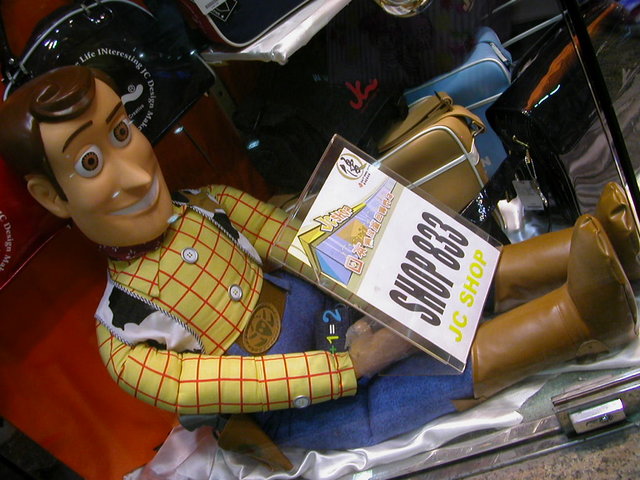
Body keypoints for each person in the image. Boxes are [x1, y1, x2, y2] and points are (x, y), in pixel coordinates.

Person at [0, 65, 637, 458]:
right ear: (52, 197)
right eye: (90, 162)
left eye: (121, 132)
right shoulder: (125, 335)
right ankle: (578, 320)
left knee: (437, 280)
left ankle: (577, 247)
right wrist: (354, 363)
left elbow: (294, 241)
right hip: (307, 398)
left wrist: (373, 263)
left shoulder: (212, 202)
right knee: (419, 384)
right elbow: (231, 386)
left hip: (333, 313)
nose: (137, 171)